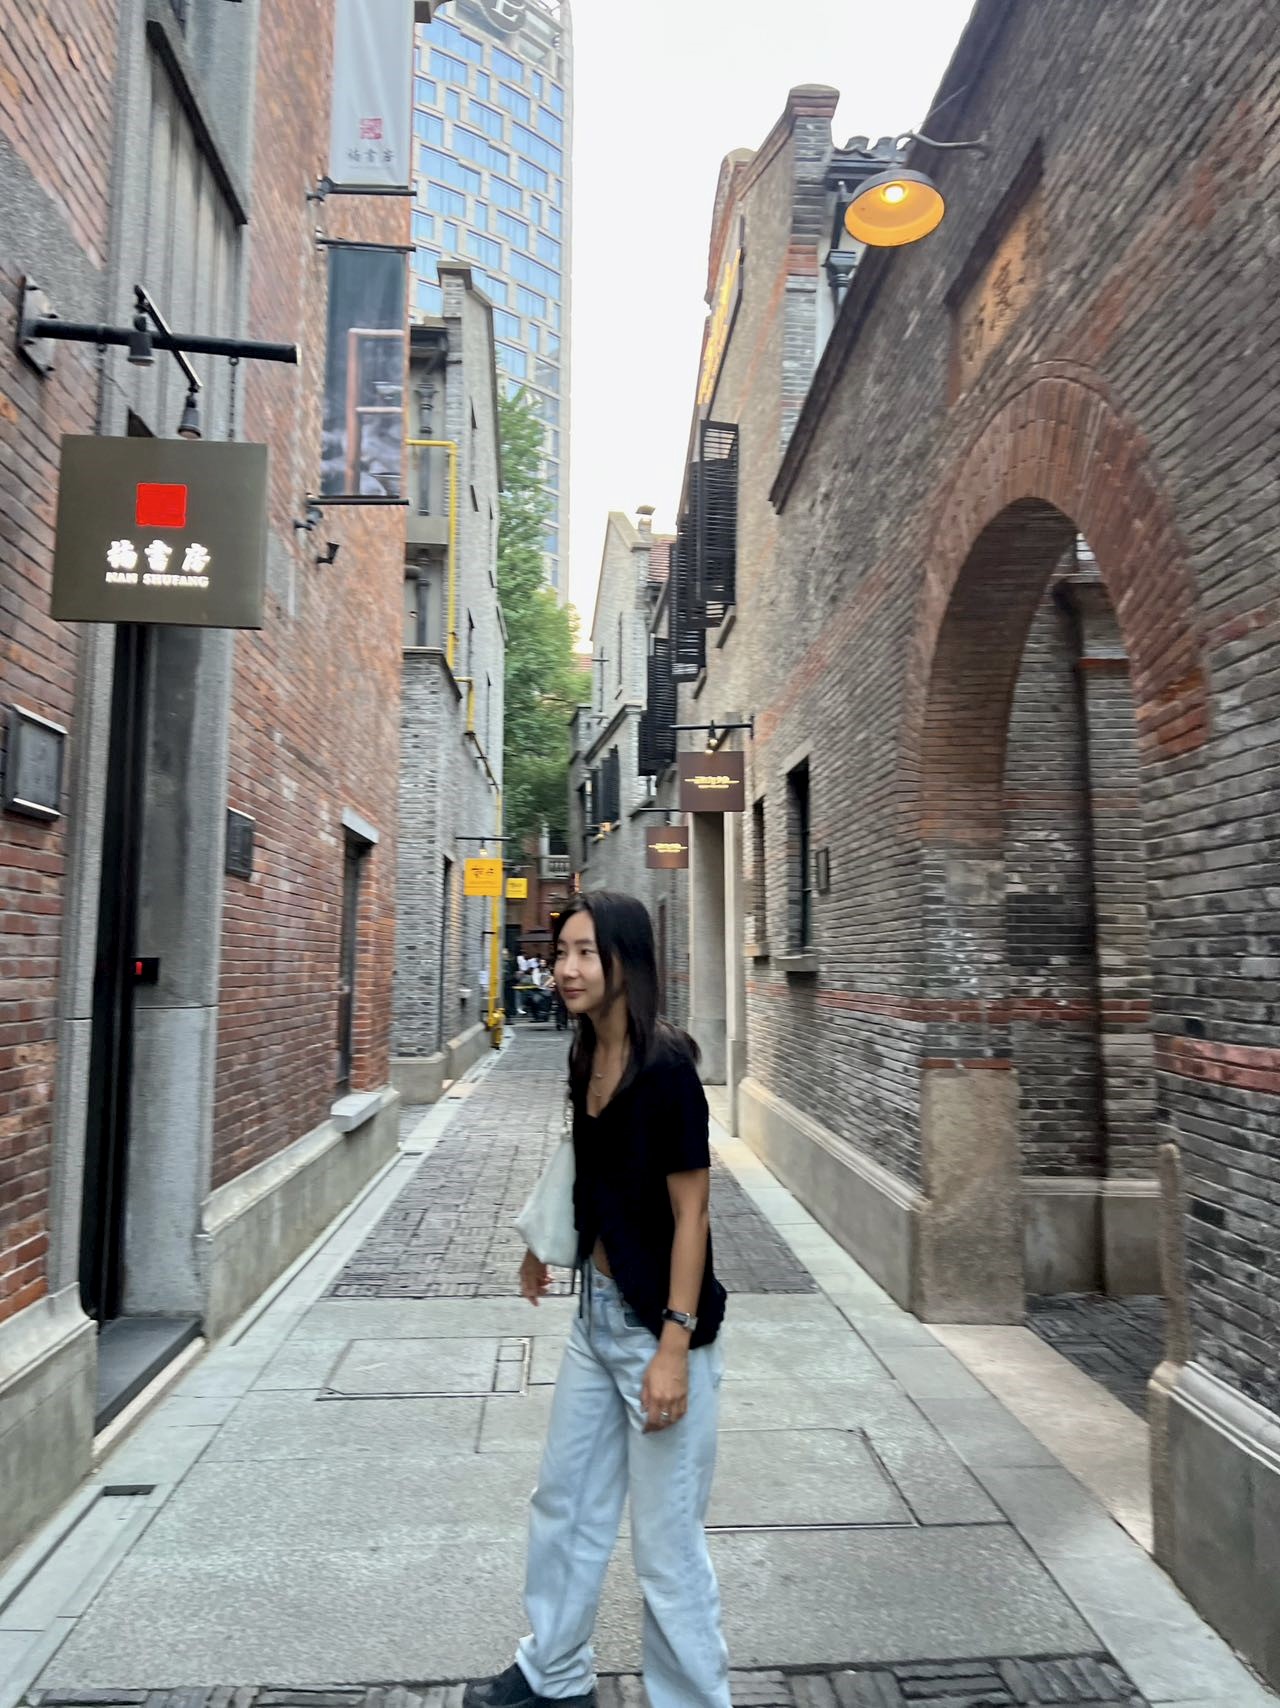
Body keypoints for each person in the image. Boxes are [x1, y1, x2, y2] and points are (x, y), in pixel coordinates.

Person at [465, 890, 730, 1708]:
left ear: (626, 960)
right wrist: (544, 1244)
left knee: (666, 1542)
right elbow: (588, 1164)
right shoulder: (585, 1053)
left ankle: (693, 1699)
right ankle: (554, 1674)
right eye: (561, 953)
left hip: (660, 1330)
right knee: (566, 1503)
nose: (566, 969)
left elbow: (693, 1212)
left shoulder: (667, 1066)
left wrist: (674, 1348)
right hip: (596, 1319)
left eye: (586, 952)